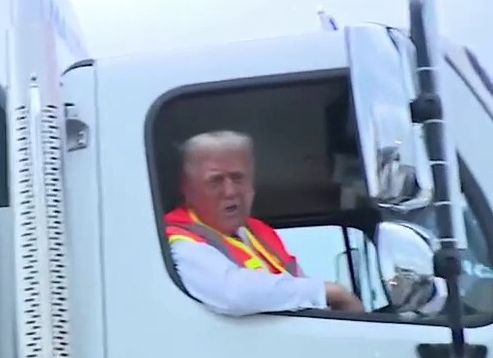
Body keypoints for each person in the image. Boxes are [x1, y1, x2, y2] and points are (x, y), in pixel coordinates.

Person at [165, 131, 446, 317]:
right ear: (187, 188)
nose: (230, 191)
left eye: (238, 178)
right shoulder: (178, 240)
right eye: (215, 181)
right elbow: (233, 293)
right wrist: (329, 292)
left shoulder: (256, 234)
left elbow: (294, 289)